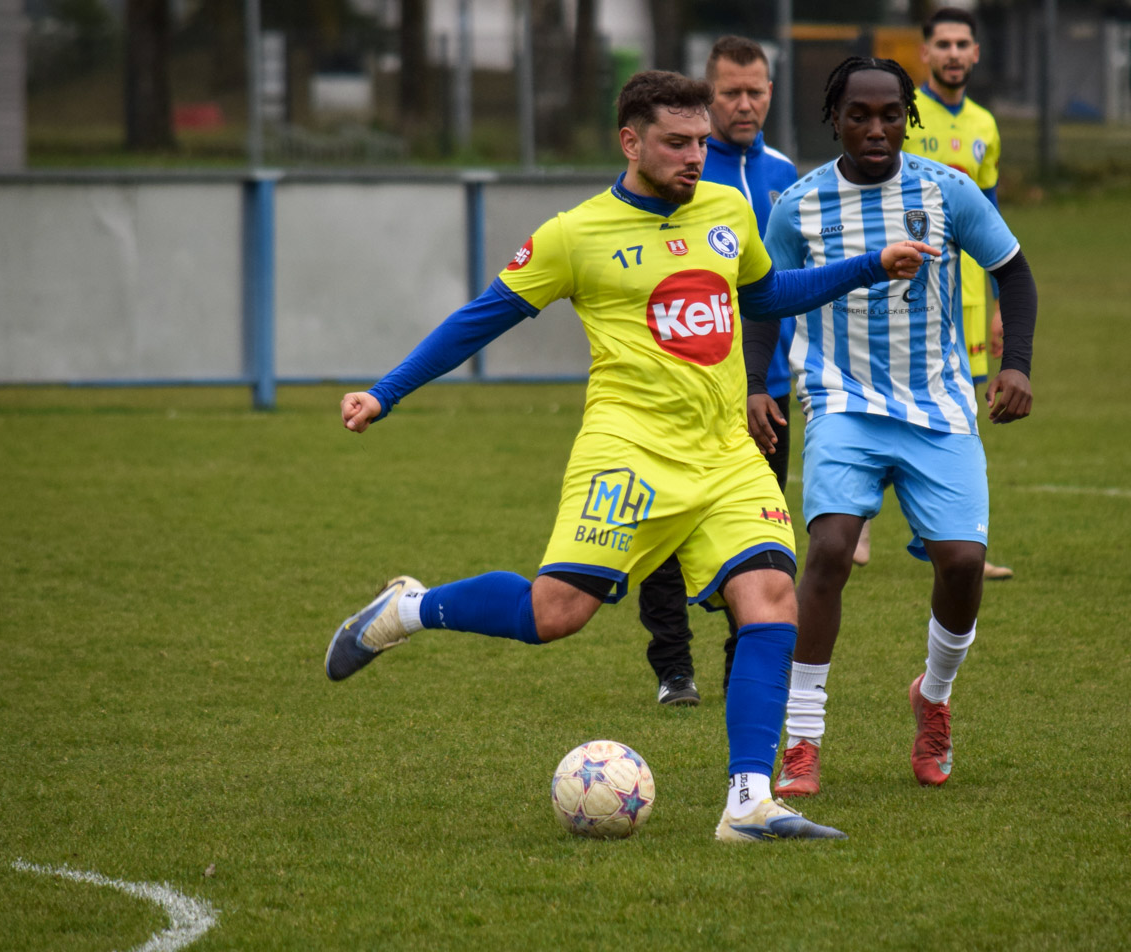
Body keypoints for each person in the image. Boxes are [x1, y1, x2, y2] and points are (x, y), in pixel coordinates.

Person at [325, 70, 938, 842]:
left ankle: (748, 803)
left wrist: (870, 265)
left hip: (724, 454)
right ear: (630, 142)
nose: (694, 157)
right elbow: (480, 319)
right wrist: (385, 392)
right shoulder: (574, 235)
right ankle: (408, 609)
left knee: (770, 600)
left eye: (701, 142)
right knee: (555, 615)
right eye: (676, 143)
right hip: (628, 455)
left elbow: (766, 295)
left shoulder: (727, 208)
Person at [749, 56, 1038, 799]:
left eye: (888, 115)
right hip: (840, 400)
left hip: (938, 404)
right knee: (829, 551)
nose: (875, 129)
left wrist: (1015, 364)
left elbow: (1013, 270)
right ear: (834, 119)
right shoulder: (800, 205)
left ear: (907, 120)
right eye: (859, 115)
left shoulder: (946, 191)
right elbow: (766, 296)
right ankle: (802, 741)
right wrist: (753, 385)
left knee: (963, 562)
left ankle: (933, 698)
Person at [636, 36, 799, 708]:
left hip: (768, 387)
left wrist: (769, 379)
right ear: (709, 95)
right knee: (662, 536)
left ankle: (741, 664)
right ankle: (674, 668)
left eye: (756, 91)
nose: (744, 104)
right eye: (730, 92)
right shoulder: (677, 171)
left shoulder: (785, 174)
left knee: (759, 537)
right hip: (683, 388)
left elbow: (786, 280)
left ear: (771, 93)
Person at [906, 5, 1013, 580]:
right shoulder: (902, 113)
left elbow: (991, 219)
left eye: (961, 44)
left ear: (975, 53)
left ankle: (953, 539)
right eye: (942, 43)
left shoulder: (984, 125)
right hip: (906, 285)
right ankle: (859, 519)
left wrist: (999, 303)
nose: (952, 53)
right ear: (925, 52)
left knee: (960, 413)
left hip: (966, 294)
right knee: (890, 394)